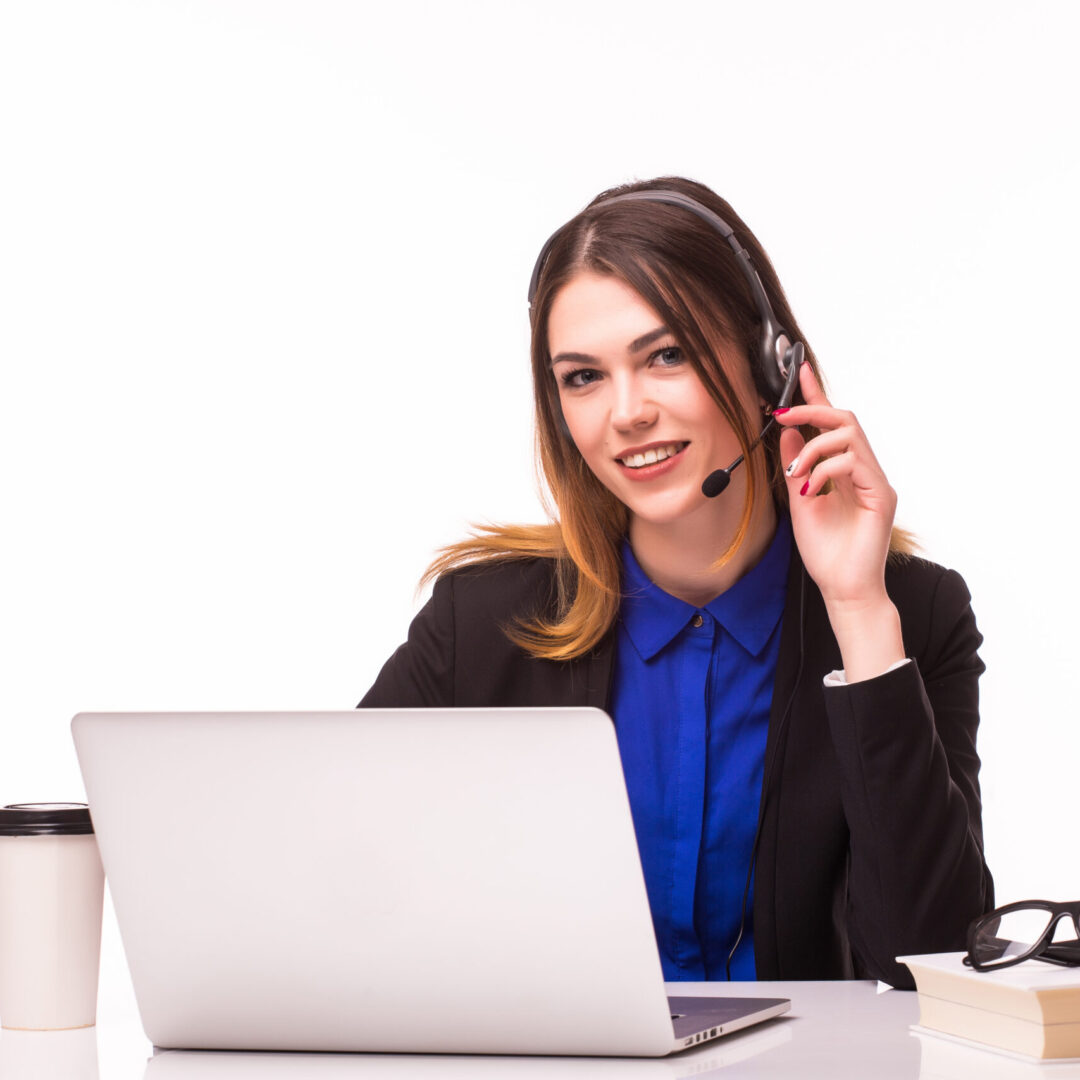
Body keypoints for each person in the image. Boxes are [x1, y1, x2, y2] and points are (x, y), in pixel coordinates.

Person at [360, 176, 993, 988]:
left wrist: (857, 609)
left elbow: (930, 971)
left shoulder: (915, 616)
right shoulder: (478, 624)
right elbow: (339, 888)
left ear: (773, 366)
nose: (626, 412)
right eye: (582, 377)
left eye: (666, 356)